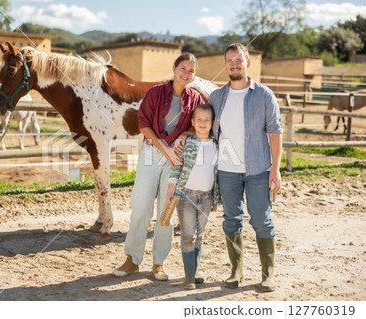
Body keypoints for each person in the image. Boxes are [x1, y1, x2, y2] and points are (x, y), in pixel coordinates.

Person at [112, 52, 205, 280]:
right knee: (141, 208)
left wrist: (185, 133)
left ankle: (158, 263)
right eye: (183, 68)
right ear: (174, 68)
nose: (186, 74)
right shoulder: (155, 93)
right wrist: (167, 150)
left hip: (176, 159)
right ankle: (132, 259)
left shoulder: (195, 99)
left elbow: (201, 125)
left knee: (167, 211)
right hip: (152, 154)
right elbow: (143, 125)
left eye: (191, 71)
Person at [208, 43, 283, 292]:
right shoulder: (217, 97)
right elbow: (207, 133)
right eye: (230, 60)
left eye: (239, 59)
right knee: (231, 219)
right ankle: (236, 270)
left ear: (248, 62)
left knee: (262, 220)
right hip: (227, 170)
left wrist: (275, 168)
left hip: (258, 169)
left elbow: (275, 132)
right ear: (225, 65)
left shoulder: (263, 94)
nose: (235, 64)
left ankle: (267, 274)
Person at [163, 104, 221, 290]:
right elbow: (177, 168)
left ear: (212, 123)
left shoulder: (216, 145)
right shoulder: (187, 143)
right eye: (199, 120)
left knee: (200, 235)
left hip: (206, 197)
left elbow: (216, 173)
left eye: (207, 120)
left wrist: (214, 198)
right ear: (192, 122)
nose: (203, 123)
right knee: (188, 235)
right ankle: (188, 277)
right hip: (186, 196)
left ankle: (194, 271)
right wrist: (171, 192)